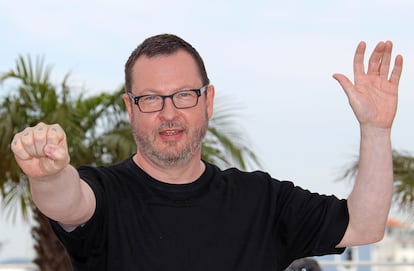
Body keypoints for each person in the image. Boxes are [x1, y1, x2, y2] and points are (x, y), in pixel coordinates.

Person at [11, 34, 403, 271]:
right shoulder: (105, 195)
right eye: (150, 98)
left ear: (207, 100)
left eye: (183, 95)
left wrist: (375, 129)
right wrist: (46, 174)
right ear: (130, 109)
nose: (169, 113)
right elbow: (66, 201)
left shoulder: (261, 200)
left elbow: (364, 225)